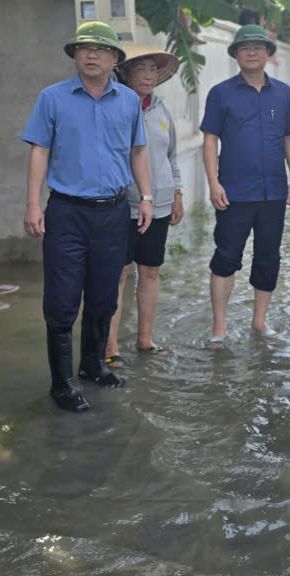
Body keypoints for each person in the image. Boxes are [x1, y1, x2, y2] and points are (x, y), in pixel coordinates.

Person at [22, 21, 152, 413]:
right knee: (62, 302)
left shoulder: (129, 101)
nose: (91, 55)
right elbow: (39, 151)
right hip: (67, 213)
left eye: (100, 49)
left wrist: (146, 197)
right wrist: (32, 203)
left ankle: (93, 364)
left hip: (113, 212)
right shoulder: (52, 98)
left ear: (115, 59)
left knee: (102, 298)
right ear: (75, 56)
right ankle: (61, 383)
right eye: (83, 48)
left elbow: (139, 152)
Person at [201, 24, 290, 343]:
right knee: (226, 256)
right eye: (245, 47)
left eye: (259, 47)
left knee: (268, 256)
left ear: (268, 54)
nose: (252, 51)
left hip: (273, 192)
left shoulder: (283, 93)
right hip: (233, 192)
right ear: (235, 54)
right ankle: (219, 327)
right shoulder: (221, 93)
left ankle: (260, 322)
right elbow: (210, 139)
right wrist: (213, 182)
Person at [104, 43, 184, 364]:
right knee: (118, 273)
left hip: (160, 206)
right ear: (123, 72)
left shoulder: (161, 109)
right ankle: (110, 347)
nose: (149, 75)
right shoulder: (112, 108)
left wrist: (177, 192)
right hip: (122, 206)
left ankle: (145, 340)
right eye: (141, 68)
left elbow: (172, 155)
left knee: (150, 271)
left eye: (153, 68)